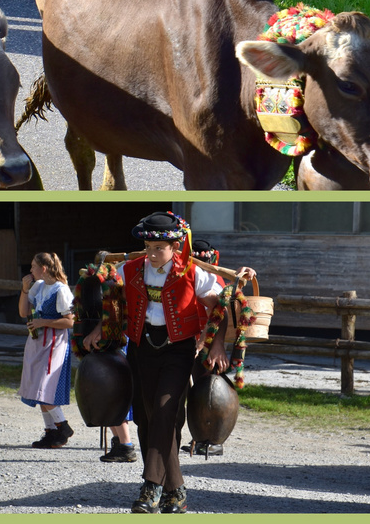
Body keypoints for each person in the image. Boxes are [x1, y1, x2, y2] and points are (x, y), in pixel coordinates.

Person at [86, 211, 255, 514]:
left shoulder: (193, 273)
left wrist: (216, 344)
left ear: (176, 247)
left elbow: (220, 306)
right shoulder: (131, 269)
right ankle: (175, 491)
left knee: (164, 412)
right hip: (141, 350)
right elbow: (110, 295)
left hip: (178, 352)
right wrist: (101, 327)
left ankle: (150, 487)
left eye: (158, 249)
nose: (151, 254)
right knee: (148, 419)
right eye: (148, 247)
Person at [19, 252, 76, 447]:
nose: (30, 270)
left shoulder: (61, 290)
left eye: (33, 266)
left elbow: (70, 321)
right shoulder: (39, 287)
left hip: (54, 342)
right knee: (36, 385)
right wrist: (25, 291)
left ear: (43, 269)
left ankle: (62, 426)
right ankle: (51, 432)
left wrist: (44, 321)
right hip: (37, 341)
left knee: (44, 386)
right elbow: (23, 312)